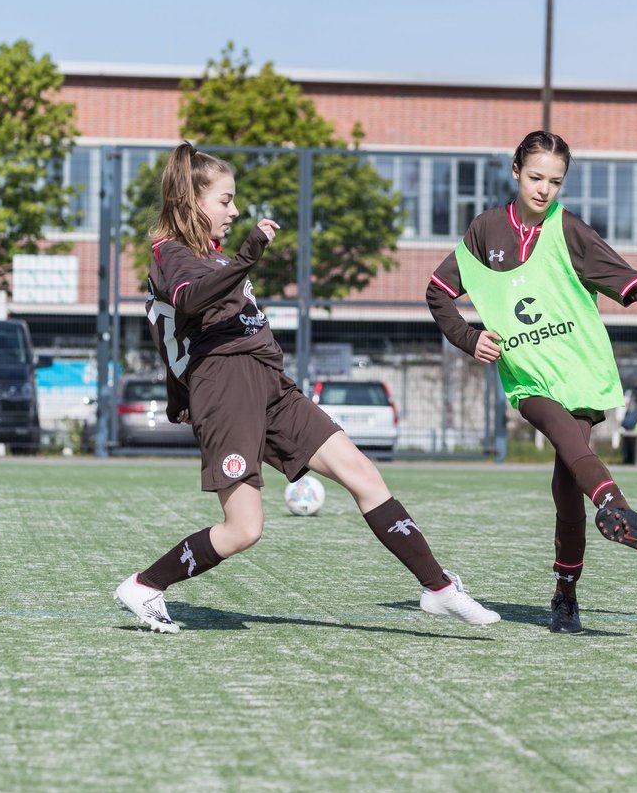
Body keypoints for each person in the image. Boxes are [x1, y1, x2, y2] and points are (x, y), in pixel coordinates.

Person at [113, 142, 499, 633]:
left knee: (362, 472)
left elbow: (177, 335)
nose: (234, 211)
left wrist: (175, 396)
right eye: (225, 200)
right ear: (192, 201)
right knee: (244, 530)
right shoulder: (169, 255)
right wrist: (248, 257)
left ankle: (440, 588)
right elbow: (187, 305)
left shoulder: (213, 257)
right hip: (227, 393)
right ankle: (145, 586)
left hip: (272, 385)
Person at [426, 130, 637, 633]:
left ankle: (565, 592)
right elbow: (437, 292)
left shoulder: (571, 231)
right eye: (536, 177)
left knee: (565, 487)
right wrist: (468, 339)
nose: (544, 189)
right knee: (558, 433)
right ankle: (614, 503)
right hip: (528, 376)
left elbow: (631, 282)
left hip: (580, 371)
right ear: (515, 171)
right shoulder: (484, 230)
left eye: (555, 182)